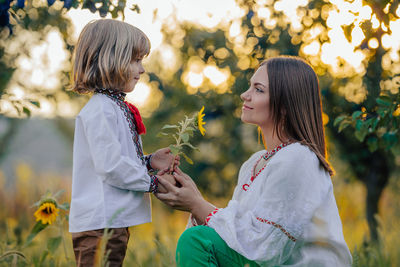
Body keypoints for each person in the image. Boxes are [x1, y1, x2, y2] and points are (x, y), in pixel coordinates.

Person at [156, 56, 352, 266]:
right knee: (200, 239)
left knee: (196, 241)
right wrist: (194, 198)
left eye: (258, 89)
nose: (244, 95)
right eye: (250, 87)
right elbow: (241, 237)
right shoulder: (255, 162)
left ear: (285, 104)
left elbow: (266, 247)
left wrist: (197, 204)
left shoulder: (298, 157)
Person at [68, 19, 177, 267]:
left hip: (110, 220)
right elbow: (111, 167)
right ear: (109, 59)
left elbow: (118, 159)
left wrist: (149, 162)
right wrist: (153, 183)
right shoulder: (101, 111)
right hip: (99, 223)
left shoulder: (113, 107)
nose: (142, 69)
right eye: (136, 60)